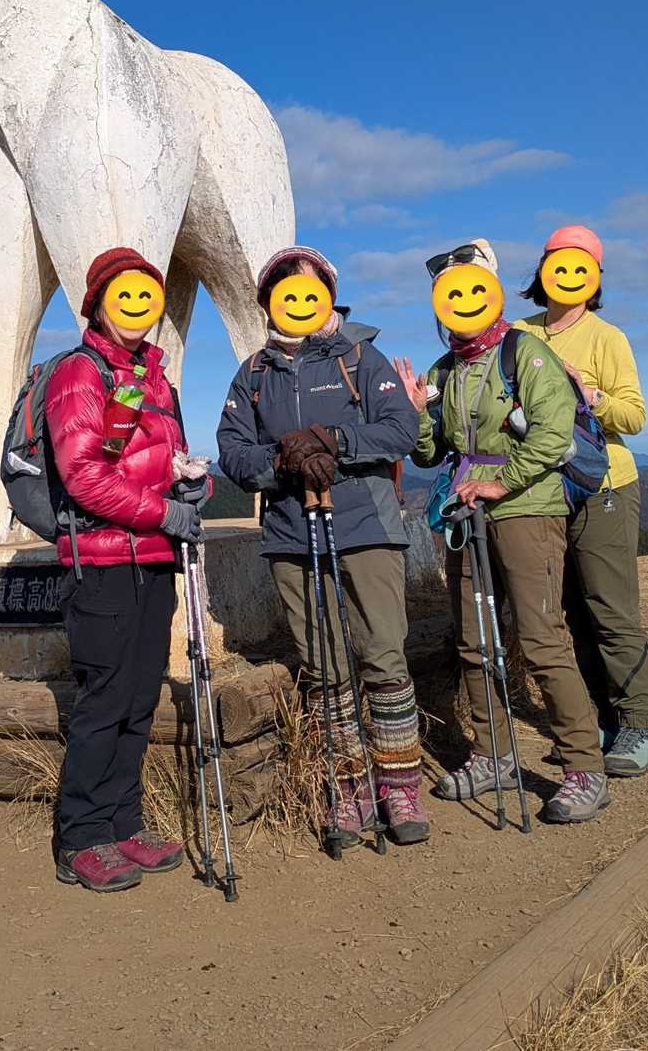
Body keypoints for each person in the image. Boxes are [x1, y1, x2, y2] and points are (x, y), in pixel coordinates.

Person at [217, 246, 428, 846]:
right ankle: (347, 786)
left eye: (310, 290)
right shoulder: (253, 375)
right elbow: (233, 452)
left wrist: (333, 440)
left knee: (383, 655)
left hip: (366, 527)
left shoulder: (361, 357)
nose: (297, 302)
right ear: (268, 305)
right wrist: (284, 459)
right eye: (283, 294)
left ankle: (399, 785)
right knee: (325, 666)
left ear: (329, 296)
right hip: (292, 533)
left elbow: (401, 429)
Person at [398, 238, 610, 823]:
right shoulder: (445, 370)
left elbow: (553, 432)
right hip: (466, 515)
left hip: (528, 510)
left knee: (542, 639)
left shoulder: (525, 353)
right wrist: (417, 414)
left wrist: (501, 482)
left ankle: (584, 767)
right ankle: (493, 754)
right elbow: (428, 454)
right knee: (472, 641)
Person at [47, 247, 205, 893]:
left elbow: (153, 460)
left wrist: (188, 483)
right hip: (103, 563)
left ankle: (123, 825)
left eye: (147, 294)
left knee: (139, 698)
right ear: (98, 304)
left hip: (154, 561)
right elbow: (84, 475)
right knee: (104, 700)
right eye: (124, 294)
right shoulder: (79, 373)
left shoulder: (151, 379)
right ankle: (81, 838)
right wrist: (163, 513)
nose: (137, 306)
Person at [514, 224, 648, 777]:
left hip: (604, 486)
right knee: (571, 610)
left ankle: (640, 726)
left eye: (582, 266)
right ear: (543, 271)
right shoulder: (520, 334)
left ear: (594, 278)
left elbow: (635, 416)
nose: (568, 275)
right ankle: (598, 721)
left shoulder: (606, 337)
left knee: (611, 610)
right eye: (559, 262)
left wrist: (591, 396)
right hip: (544, 491)